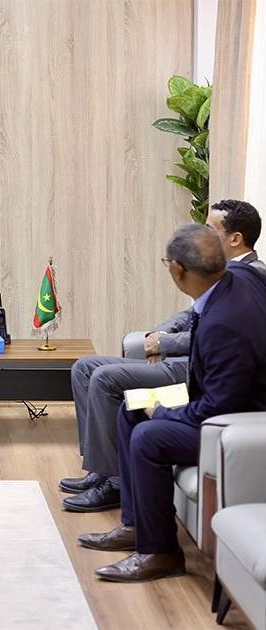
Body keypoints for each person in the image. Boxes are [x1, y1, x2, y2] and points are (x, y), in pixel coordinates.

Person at [78, 224, 266, 582]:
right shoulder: (241, 276)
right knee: (132, 407)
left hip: (239, 423)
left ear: (177, 270)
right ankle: (136, 526)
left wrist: (162, 411)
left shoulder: (224, 324)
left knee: (149, 436)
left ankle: (161, 553)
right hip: (222, 399)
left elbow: (218, 410)